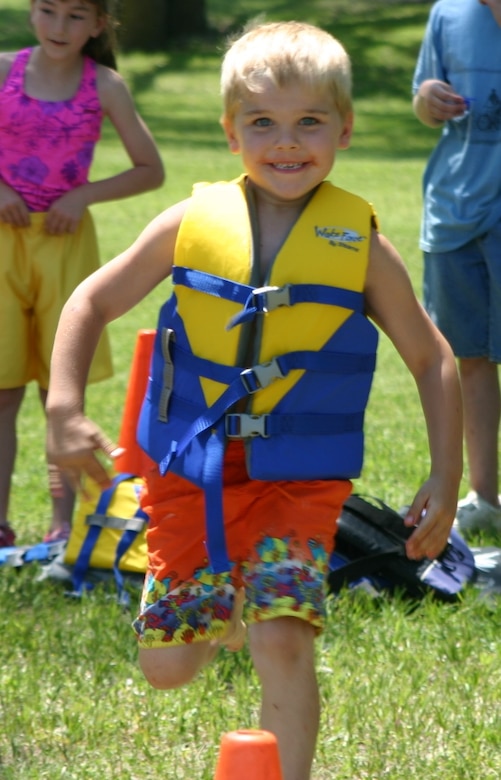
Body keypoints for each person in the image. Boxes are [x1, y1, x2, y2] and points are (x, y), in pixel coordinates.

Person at [46, 21, 462, 780]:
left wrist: (444, 473)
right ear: (230, 132)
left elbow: (432, 357)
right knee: (167, 667)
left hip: (298, 478)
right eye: (262, 122)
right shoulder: (189, 221)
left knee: (283, 639)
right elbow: (88, 303)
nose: (286, 142)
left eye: (309, 121)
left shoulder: (360, 242)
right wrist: (64, 408)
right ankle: (229, 608)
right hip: (192, 469)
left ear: (343, 126)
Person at [0, 0, 164, 548]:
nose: (59, 26)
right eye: (47, 10)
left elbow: (151, 169)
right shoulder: (4, 71)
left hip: (65, 247)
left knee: (58, 391)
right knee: (1, 392)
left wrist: (83, 195)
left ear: (98, 24)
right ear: (31, 14)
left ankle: (62, 527)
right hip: (3, 247)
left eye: (76, 15)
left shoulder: (106, 85)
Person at [412, 0, 501, 537]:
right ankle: (484, 496)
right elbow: (423, 100)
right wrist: (428, 99)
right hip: (456, 208)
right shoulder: (448, 12)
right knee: (469, 357)